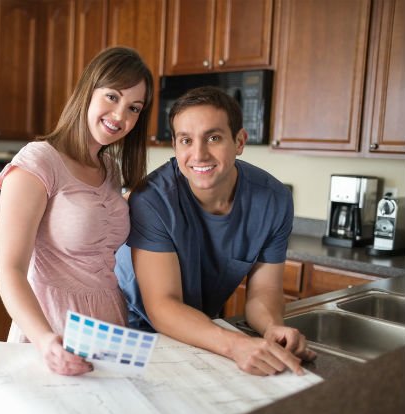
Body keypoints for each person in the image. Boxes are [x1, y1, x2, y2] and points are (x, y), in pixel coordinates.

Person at [115, 86, 317, 376]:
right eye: (186, 140)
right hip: (130, 328)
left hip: (200, 330)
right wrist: (235, 345)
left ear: (239, 141)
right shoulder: (152, 200)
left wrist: (273, 327)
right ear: (175, 145)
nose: (199, 154)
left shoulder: (273, 200)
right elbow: (162, 306)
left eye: (213, 138)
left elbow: (265, 291)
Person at [0, 47, 154, 376]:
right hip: (53, 334)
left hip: (111, 332)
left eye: (133, 108)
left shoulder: (110, 169)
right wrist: (45, 341)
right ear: (87, 91)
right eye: (112, 96)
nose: (120, 115)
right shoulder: (39, 161)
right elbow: (9, 271)